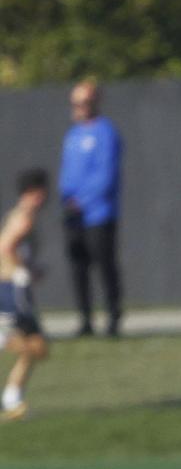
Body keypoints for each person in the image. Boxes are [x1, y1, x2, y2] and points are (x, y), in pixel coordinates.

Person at [58, 77, 123, 338]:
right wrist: (67, 200)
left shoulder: (106, 132)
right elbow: (67, 174)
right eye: (76, 102)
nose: (80, 106)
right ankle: (85, 319)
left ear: (95, 101)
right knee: (78, 267)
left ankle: (113, 317)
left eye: (85, 101)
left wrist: (82, 200)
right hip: (73, 215)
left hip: (98, 213)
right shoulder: (73, 135)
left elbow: (105, 175)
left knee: (104, 265)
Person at [0, 170, 51, 420]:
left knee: (38, 347)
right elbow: (5, 247)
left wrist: (31, 269)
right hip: (10, 288)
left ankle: (11, 397)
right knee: (28, 345)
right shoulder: (23, 218)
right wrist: (21, 270)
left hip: (15, 287)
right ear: (33, 193)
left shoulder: (23, 215)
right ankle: (11, 399)